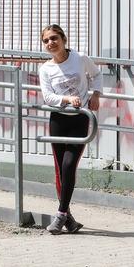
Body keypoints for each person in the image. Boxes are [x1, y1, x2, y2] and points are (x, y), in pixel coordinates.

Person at [36, 24, 102, 235]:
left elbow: (97, 74)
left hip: (80, 119)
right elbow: (48, 97)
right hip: (58, 120)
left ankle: (61, 214)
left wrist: (96, 94)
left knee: (69, 165)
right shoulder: (46, 69)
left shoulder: (79, 58)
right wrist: (66, 98)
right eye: (46, 41)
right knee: (60, 171)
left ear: (64, 39)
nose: (50, 43)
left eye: (54, 38)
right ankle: (68, 218)